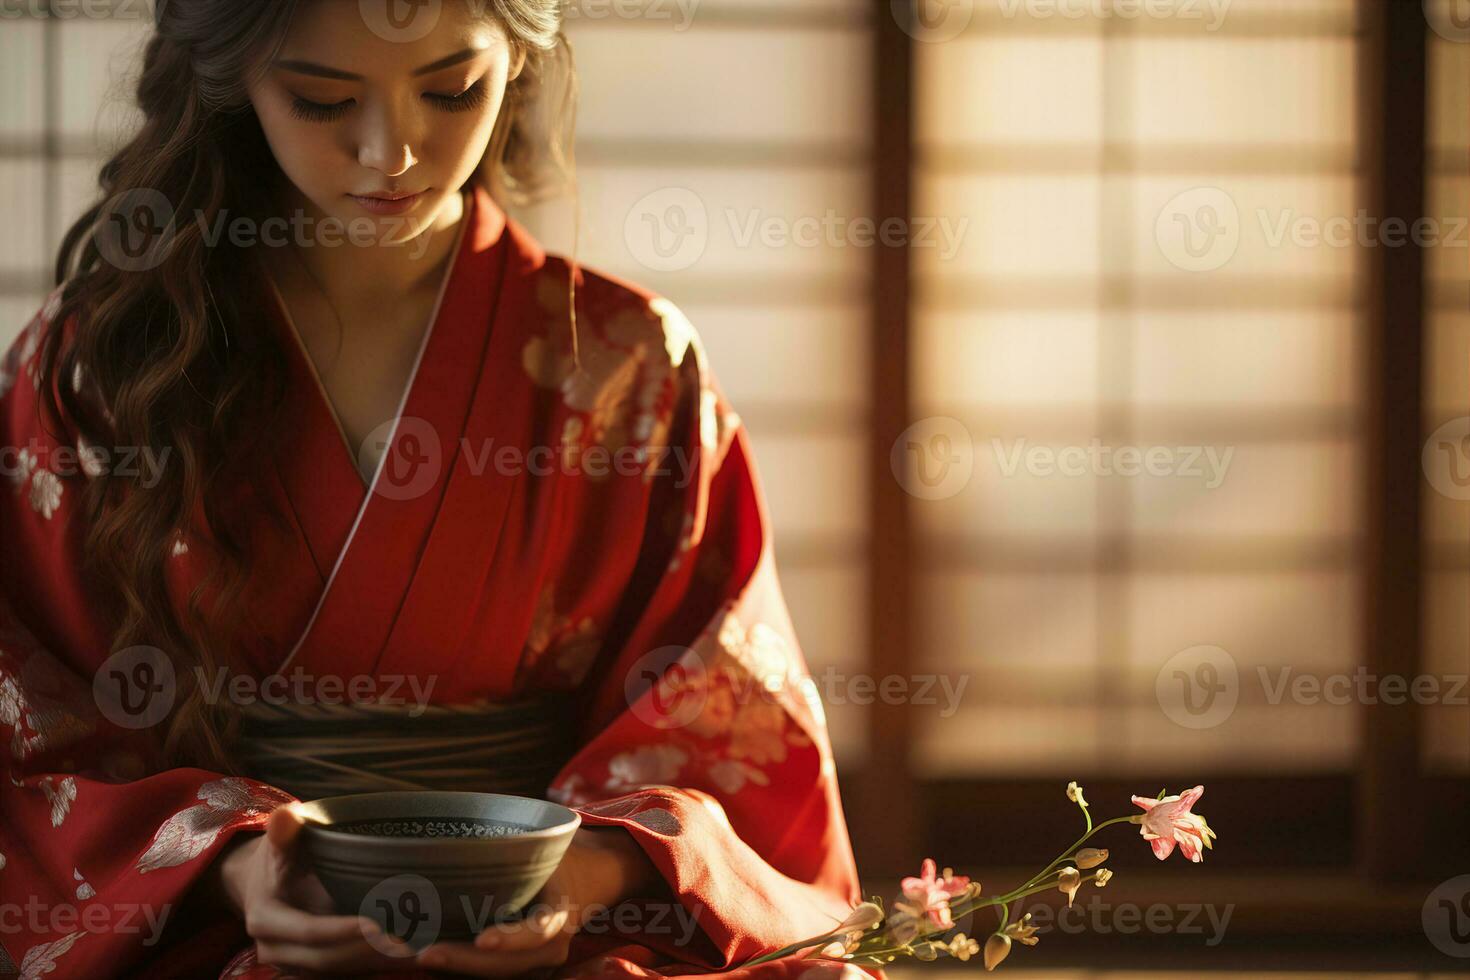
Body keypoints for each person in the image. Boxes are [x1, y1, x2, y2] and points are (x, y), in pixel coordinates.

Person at [0, 1, 867, 977]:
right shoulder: (101, 367)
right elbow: (36, 728)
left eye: (452, 90)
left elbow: (722, 722)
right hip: (217, 921)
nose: (394, 153)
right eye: (322, 100)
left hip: (552, 926)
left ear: (519, 65)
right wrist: (234, 863)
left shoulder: (628, 365)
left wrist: (592, 869)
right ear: (234, 80)